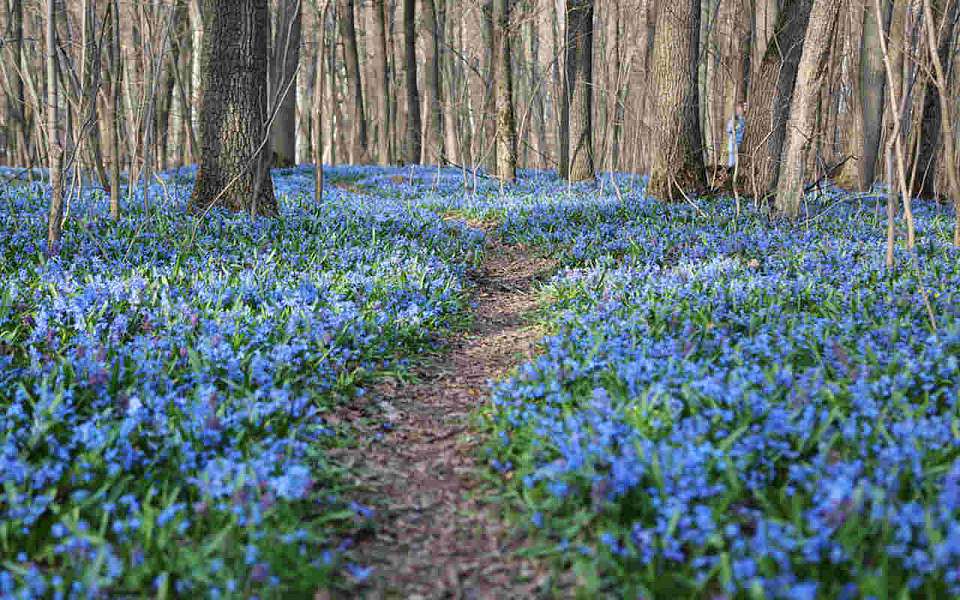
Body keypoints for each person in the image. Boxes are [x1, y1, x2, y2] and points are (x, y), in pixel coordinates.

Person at [726, 102, 746, 168]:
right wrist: (733, 127)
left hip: (742, 143)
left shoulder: (745, 119)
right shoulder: (734, 119)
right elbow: (728, 130)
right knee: (732, 162)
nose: (739, 111)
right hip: (733, 143)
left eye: (741, 109)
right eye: (738, 109)